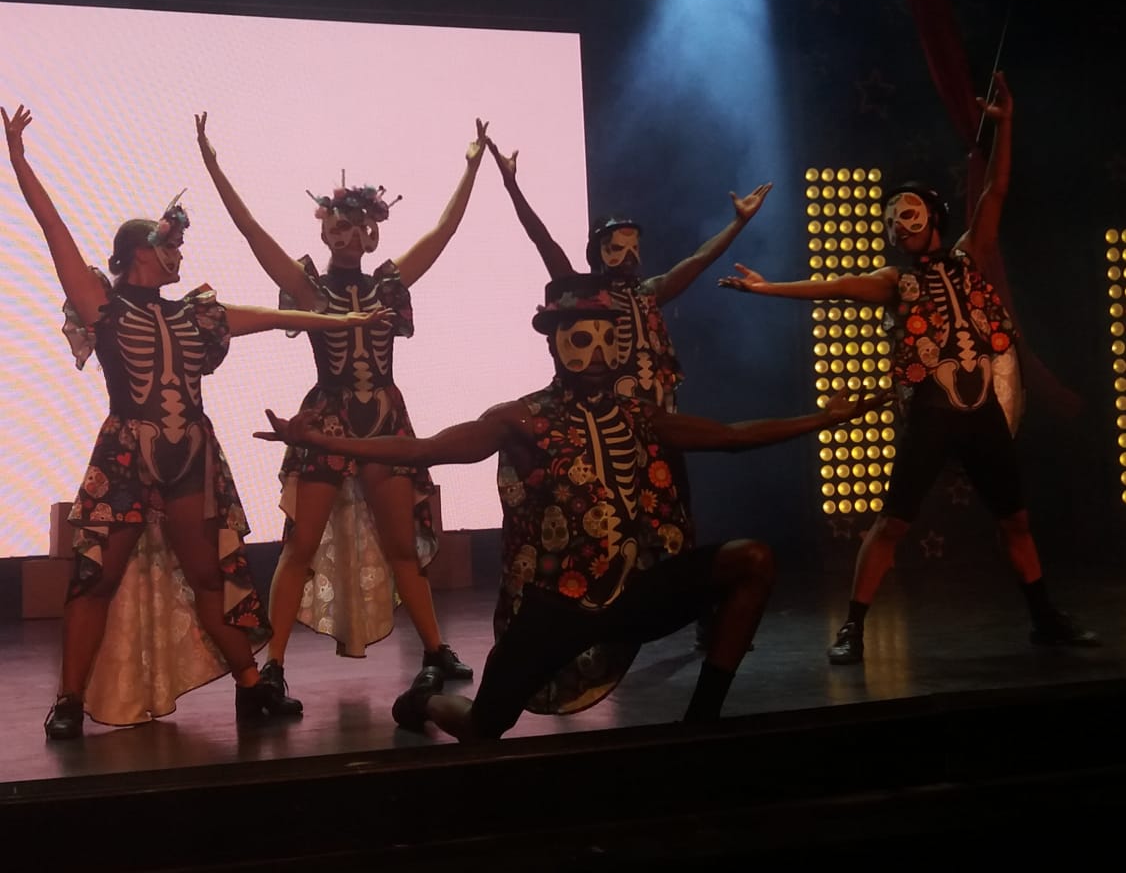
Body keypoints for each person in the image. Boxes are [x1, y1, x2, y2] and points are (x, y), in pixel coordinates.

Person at [255, 273, 887, 740]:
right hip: (558, 605)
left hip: (637, 591)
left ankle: (701, 723)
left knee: (752, 560)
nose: (597, 352)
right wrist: (325, 441)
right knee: (482, 726)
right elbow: (426, 449)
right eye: (582, 339)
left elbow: (732, 437)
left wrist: (824, 419)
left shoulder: (638, 415)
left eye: (608, 339)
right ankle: (421, 704)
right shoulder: (522, 419)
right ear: (556, 344)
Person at [4, 103, 388, 740]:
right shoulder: (102, 304)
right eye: (170, 245)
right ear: (138, 253)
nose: (179, 253)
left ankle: (251, 685)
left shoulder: (195, 313)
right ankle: (69, 699)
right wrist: (19, 160)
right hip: (127, 452)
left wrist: (343, 321)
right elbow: (55, 230)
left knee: (209, 575)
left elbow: (277, 317)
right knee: (96, 579)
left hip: (192, 457)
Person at [718, 72, 1099, 663]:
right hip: (931, 415)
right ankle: (853, 628)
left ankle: (1045, 618)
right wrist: (768, 290)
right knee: (893, 524)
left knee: (1016, 520)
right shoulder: (894, 281)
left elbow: (996, 190)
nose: (898, 223)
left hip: (983, 414)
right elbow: (834, 286)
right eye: (892, 217)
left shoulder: (971, 255)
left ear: (934, 216)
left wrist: (1005, 126)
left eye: (908, 212)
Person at [197, 111, 483, 705]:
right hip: (326, 420)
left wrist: (471, 167)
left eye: (358, 227)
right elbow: (253, 234)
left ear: (372, 234)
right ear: (325, 232)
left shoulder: (388, 284)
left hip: (383, 421)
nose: (349, 236)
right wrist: (214, 167)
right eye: (339, 227)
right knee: (300, 544)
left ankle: (435, 648)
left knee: (401, 546)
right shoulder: (310, 289)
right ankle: (274, 664)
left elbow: (445, 231)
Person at [488, 135, 772, 646]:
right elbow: (544, 242)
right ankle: (588, 611)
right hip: (603, 427)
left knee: (675, 517)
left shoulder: (649, 293)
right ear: (597, 252)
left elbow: (698, 260)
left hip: (657, 427)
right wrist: (512, 187)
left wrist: (738, 223)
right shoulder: (585, 296)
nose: (627, 255)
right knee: (602, 520)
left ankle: (699, 610)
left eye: (633, 246)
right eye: (615, 247)